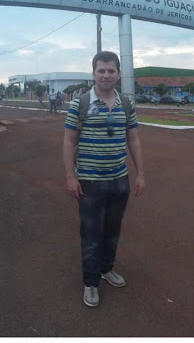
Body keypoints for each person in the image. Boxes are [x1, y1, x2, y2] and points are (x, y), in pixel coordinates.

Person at [62, 51, 145, 308]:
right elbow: (68, 140)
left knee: (112, 232)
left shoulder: (127, 104)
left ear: (118, 74)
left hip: (119, 181)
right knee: (91, 235)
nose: (106, 75)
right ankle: (90, 282)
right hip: (89, 182)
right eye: (101, 70)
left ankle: (107, 269)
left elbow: (133, 139)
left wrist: (140, 173)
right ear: (93, 73)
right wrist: (70, 176)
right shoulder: (81, 103)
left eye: (111, 70)